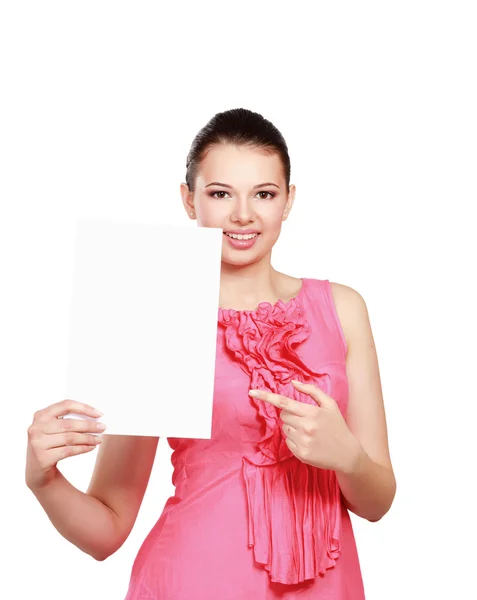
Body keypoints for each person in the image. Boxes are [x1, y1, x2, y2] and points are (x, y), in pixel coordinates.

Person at [25, 107, 396, 599]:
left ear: (288, 201)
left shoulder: (343, 308)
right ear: (189, 199)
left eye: (264, 194)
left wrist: (347, 458)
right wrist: (42, 479)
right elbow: (107, 530)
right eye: (220, 194)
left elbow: (377, 502)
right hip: (190, 581)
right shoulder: (156, 316)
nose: (243, 215)